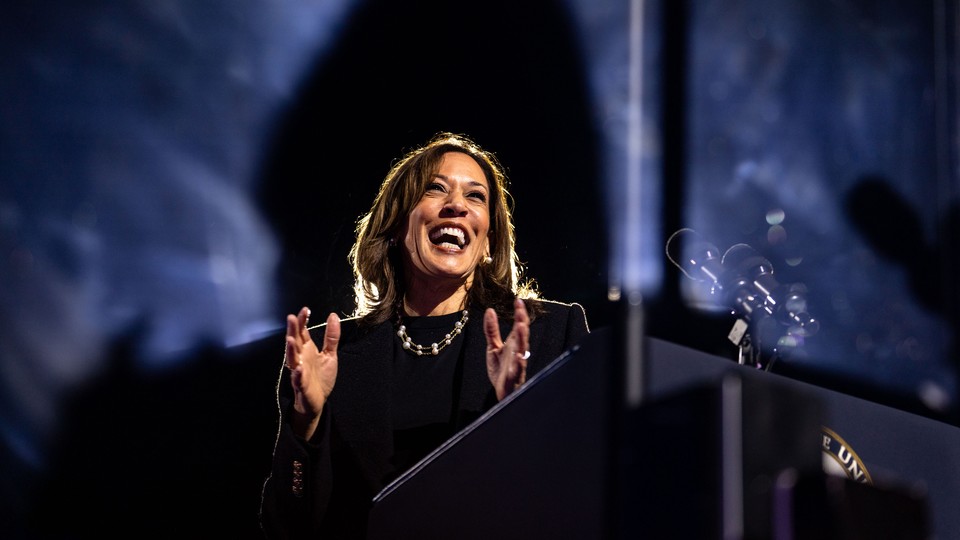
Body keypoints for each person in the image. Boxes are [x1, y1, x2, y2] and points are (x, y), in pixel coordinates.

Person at [259, 132, 590, 539]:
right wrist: (305, 422)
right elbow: (286, 528)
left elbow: (579, 492)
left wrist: (515, 411)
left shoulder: (550, 334)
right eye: (435, 189)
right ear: (396, 226)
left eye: (476, 196)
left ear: (488, 241)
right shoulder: (330, 354)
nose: (457, 206)